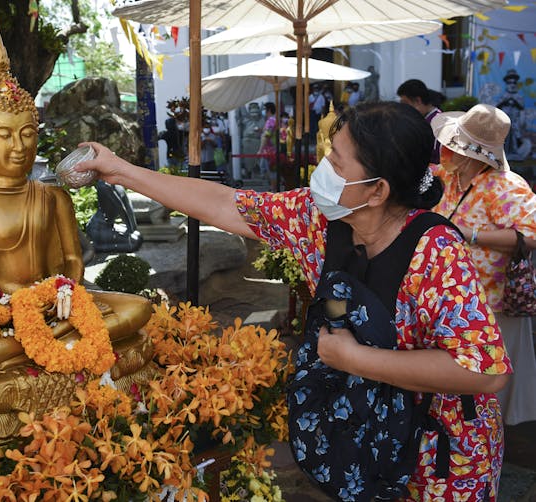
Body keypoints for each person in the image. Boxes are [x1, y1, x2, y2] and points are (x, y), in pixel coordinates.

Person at [76, 101, 511, 501]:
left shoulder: (435, 252)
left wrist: (352, 359)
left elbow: (484, 371)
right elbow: (227, 204)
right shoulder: (321, 220)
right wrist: (121, 171)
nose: (321, 170)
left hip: (441, 459)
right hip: (362, 439)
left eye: (336, 163)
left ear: (377, 190)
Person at [0, 22, 155, 440]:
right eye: (3, 135)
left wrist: (65, 290)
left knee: (137, 309)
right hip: (4, 311)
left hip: (63, 307)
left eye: (28, 134)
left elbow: (73, 258)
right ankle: (33, 351)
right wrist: (12, 310)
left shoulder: (52, 196)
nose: (18, 146)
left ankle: (43, 349)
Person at [430, 103, 536, 426]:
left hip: (493, 305)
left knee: (490, 394)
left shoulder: (506, 186)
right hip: (454, 300)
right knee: (462, 393)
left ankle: (488, 456)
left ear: (474, 154)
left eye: (455, 144)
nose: (446, 149)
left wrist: (470, 234)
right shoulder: (450, 178)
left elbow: (530, 236)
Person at [397, 79, 443, 164]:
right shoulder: (424, 120)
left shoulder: (438, 122)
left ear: (418, 101)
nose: (404, 108)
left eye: (405, 103)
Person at [257, 102, 278, 190]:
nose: (263, 111)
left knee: (271, 171)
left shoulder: (271, 121)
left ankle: (273, 189)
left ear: (268, 110)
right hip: (270, 149)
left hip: (270, 151)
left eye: (264, 109)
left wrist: (260, 150)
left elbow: (267, 135)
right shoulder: (273, 120)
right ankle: (272, 187)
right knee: (265, 169)